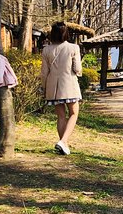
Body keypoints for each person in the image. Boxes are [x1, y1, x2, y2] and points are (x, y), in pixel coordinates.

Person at [41, 22, 82, 156]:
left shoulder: (46, 49)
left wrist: (44, 87)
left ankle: (64, 145)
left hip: (53, 87)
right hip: (69, 85)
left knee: (61, 116)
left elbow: (44, 72)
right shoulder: (73, 47)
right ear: (65, 33)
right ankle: (63, 141)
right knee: (74, 113)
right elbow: (77, 69)